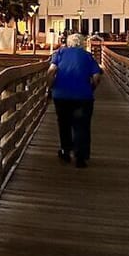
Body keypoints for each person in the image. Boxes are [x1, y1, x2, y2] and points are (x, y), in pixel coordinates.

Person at [46, 33, 102, 168]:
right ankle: (80, 157)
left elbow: (51, 71)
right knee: (82, 125)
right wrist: (91, 88)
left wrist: (50, 88)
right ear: (82, 44)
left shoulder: (59, 53)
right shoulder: (87, 56)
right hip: (83, 96)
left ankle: (65, 151)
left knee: (64, 124)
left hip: (61, 95)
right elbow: (96, 77)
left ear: (68, 43)